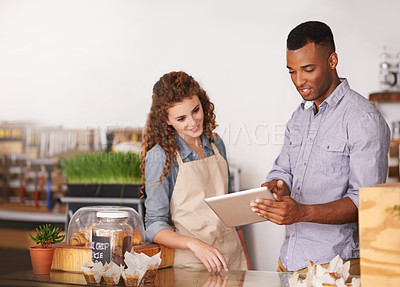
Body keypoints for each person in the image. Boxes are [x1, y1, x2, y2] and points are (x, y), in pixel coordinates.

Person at [250, 21, 390, 275]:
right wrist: (279, 185)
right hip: (289, 261)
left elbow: (366, 203)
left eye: (307, 69)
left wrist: (302, 212)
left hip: (335, 267)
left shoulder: (363, 120)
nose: (299, 81)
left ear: (332, 60)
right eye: (291, 71)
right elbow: (283, 169)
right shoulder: (300, 116)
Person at [141, 71, 249, 272]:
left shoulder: (216, 144)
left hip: (232, 258)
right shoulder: (161, 157)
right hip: (193, 265)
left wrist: (248, 264)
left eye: (196, 110)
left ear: (202, 103)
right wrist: (193, 243)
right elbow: (154, 225)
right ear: (166, 120)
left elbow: (233, 210)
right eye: (181, 118)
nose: (193, 122)